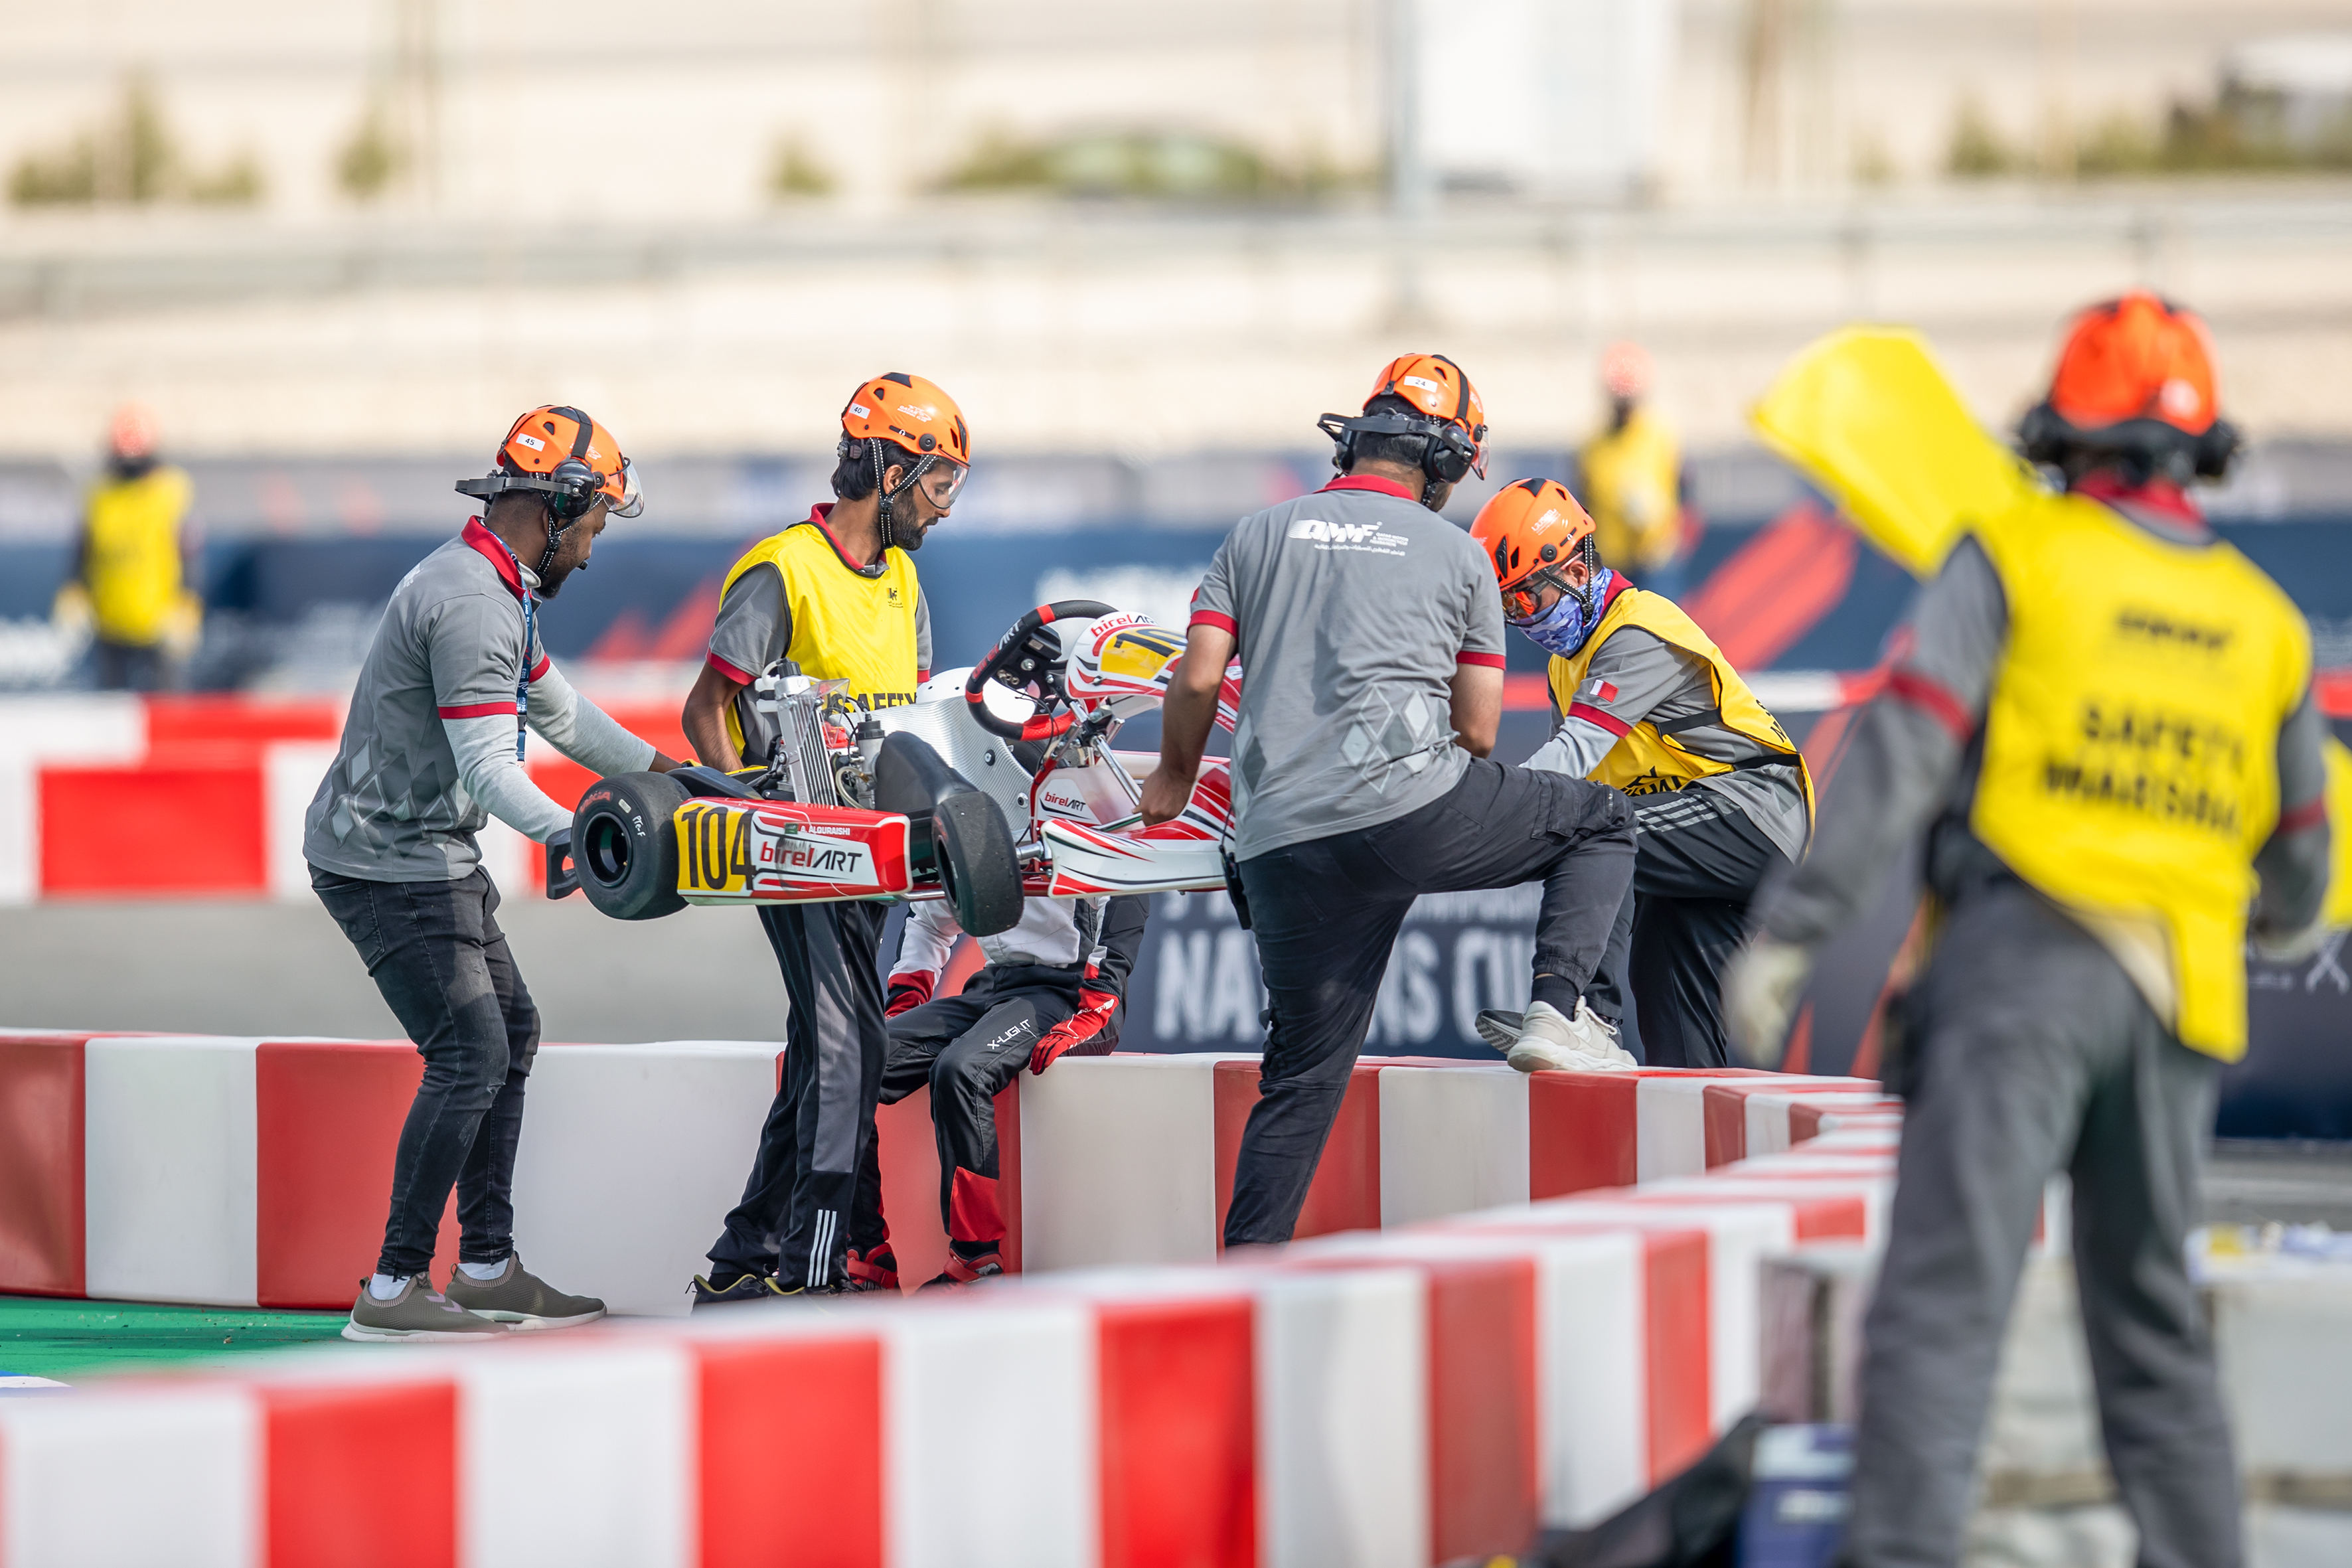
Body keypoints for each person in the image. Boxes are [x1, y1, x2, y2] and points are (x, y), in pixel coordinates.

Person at [1723, 292, 2329, 1568]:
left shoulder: (2012, 554)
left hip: (2023, 972)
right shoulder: (2262, 623)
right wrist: (2263, 914)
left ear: (2062, 433)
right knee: (2152, 1335)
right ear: (2200, 448)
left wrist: (1792, 930)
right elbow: (2297, 872)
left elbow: (1902, 746)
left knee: (1944, 1308)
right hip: (2178, 1003)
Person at [1140, 354, 1639, 1249]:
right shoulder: (1459, 555)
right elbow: (1477, 731)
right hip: (1411, 812)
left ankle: (1243, 1277)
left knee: (1299, 1078)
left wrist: (1175, 775)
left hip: (1278, 845)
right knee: (1601, 822)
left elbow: (1201, 677)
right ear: (1444, 461)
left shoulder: (1254, 534)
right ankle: (1558, 1011)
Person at [308, 405, 685, 1341]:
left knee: (509, 1032)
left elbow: (559, 714)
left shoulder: (492, 579)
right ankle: (393, 1286)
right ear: (556, 507)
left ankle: (484, 1267)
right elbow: (489, 770)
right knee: (472, 1050)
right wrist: (581, 835)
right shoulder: (477, 602)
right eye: (591, 527)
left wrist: (673, 778)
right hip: (388, 864)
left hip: (424, 853)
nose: (590, 553)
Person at [686, 373, 967, 1302]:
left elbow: (910, 727)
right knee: (852, 1050)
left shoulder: (904, 580)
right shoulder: (783, 570)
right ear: (888, 471)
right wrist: (755, 815)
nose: (944, 506)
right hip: (797, 854)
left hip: (873, 858)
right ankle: (813, 1275)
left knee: (820, 1050)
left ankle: (741, 1258)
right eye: (938, 482)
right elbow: (706, 710)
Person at [1464, 477, 1812, 1069]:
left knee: (1602, 833)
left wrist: (1473, 811)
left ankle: (1583, 1015)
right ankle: (1687, 1112)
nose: (1520, 619)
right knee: (1672, 1013)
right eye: (1506, 607)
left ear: (1575, 571)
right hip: (1702, 826)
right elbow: (1567, 793)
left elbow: (1568, 763)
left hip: (1754, 807)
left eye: (1525, 599)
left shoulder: (1638, 630)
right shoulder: (1564, 666)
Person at [837, 890, 1152, 1291]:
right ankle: (867, 1251)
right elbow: (930, 920)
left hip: (1069, 992)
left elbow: (1126, 891)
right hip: (993, 985)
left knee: (961, 1071)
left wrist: (1100, 998)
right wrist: (906, 1001)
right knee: (854, 1062)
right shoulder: (963, 842)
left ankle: (976, 1262)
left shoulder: (1080, 837)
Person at [60, 403, 202, 691]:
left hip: (159, 624)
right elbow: (84, 549)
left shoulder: (170, 490)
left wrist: (187, 603)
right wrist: (74, 591)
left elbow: (188, 551)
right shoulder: (99, 494)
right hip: (108, 624)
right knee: (111, 706)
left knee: (166, 704)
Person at [1576, 342, 1693, 599]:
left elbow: (1684, 490)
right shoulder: (1592, 445)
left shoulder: (1661, 436)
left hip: (1656, 558)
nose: (1625, 409)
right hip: (1612, 562)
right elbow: (1583, 499)